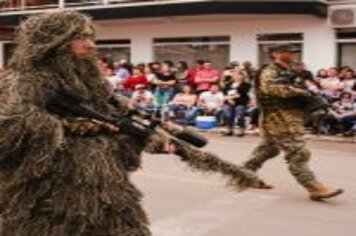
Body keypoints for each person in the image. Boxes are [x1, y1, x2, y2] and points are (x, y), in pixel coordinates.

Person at [0, 11, 172, 236]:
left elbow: (121, 124)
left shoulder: (94, 86)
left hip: (110, 194)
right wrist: (82, 126)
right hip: (50, 200)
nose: (91, 46)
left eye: (91, 38)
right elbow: (9, 136)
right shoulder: (20, 84)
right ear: (52, 42)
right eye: (80, 38)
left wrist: (141, 138)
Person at [243, 44, 343, 201]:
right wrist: (303, 92)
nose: (293, 54)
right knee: (298, 152)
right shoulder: (270, 71)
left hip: (289, 117)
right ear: (275, 54)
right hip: (278, 119)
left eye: (293, 52)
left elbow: (296, 85)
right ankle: (314, 187)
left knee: (269, 150)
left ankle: (244, 175)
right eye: (288, 51)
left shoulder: (289, 71)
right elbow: (270, 89)